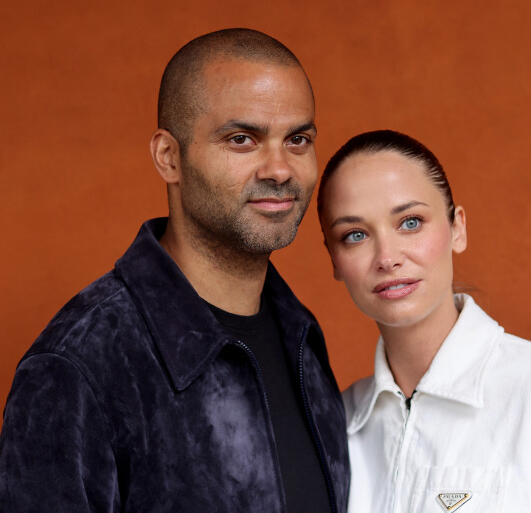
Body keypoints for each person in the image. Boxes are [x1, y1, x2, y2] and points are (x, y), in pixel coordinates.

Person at [0, 29, 349, 512]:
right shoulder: (77, 365)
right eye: (242, 139)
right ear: (169, 157)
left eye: (298, 139)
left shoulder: (302, 336)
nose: (280, 169)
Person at [317, 129, 531, 513]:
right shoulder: (336, 426)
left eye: (410, 222)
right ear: (334, 260)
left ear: (457, 228)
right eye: (355, 235)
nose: (387, 257)